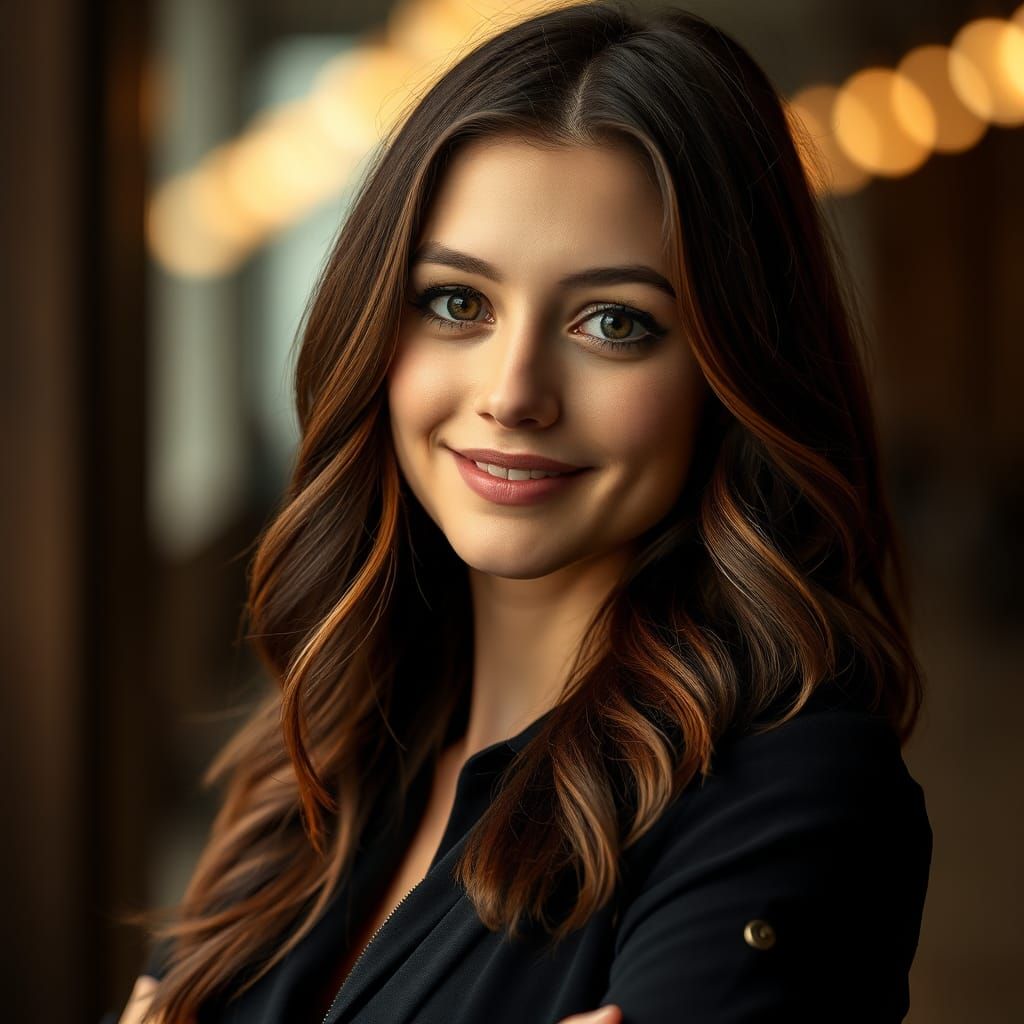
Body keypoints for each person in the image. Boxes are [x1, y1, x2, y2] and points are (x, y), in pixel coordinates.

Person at [109, 1, 932, 1021]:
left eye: (613, 322)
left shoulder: (790, 798)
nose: (512, 391)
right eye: (458, 302)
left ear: (733, 376)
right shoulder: (322, 754)